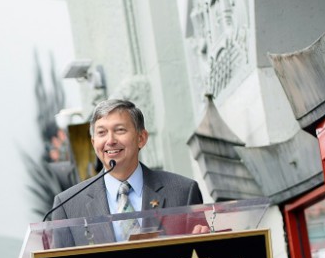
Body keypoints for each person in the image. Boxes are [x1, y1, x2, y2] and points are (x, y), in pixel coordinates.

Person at [50, 99, 207, 242]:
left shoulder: (183, 192)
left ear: (141, 138)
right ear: (93, 142)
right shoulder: (67, 207)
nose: (110, 141)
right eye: (101, 133)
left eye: (119, 130)